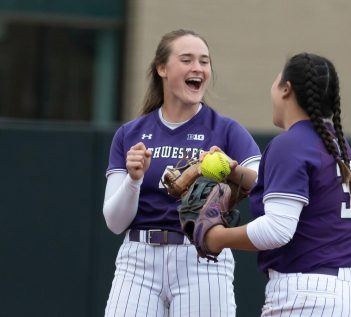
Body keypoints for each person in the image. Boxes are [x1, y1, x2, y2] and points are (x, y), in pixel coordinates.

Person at [102, 29, 261, 317]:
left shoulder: (225, 130)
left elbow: (261, 181)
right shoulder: (131, 134)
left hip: (201, 258)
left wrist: (230, 169)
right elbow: (114, 223)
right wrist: (133, 180)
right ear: (161, 68)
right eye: (186, 59)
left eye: (204, 61)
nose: (198, 68)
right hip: (139, 259)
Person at [204, 53, 351, 316]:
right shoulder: (334, 142)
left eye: (276, 82)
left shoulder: (291, 143)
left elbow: (278, 229)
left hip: (309, 293)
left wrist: (217, 238)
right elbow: (300, 196)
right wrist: (235, 173)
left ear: (287, 89)